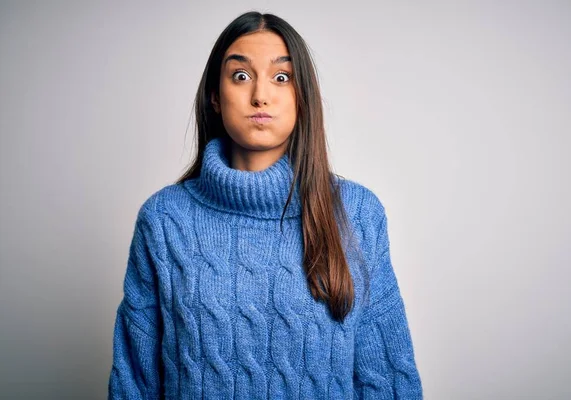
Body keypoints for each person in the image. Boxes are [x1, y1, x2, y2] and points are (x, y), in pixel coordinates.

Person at [108, 10, 423, 399]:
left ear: (302, 96)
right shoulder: (164, 220)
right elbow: (134, 383)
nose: (260, 94)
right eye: (240, 76)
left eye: (281, 77)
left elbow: (388, 380)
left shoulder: (357, 214)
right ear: (214, 97)